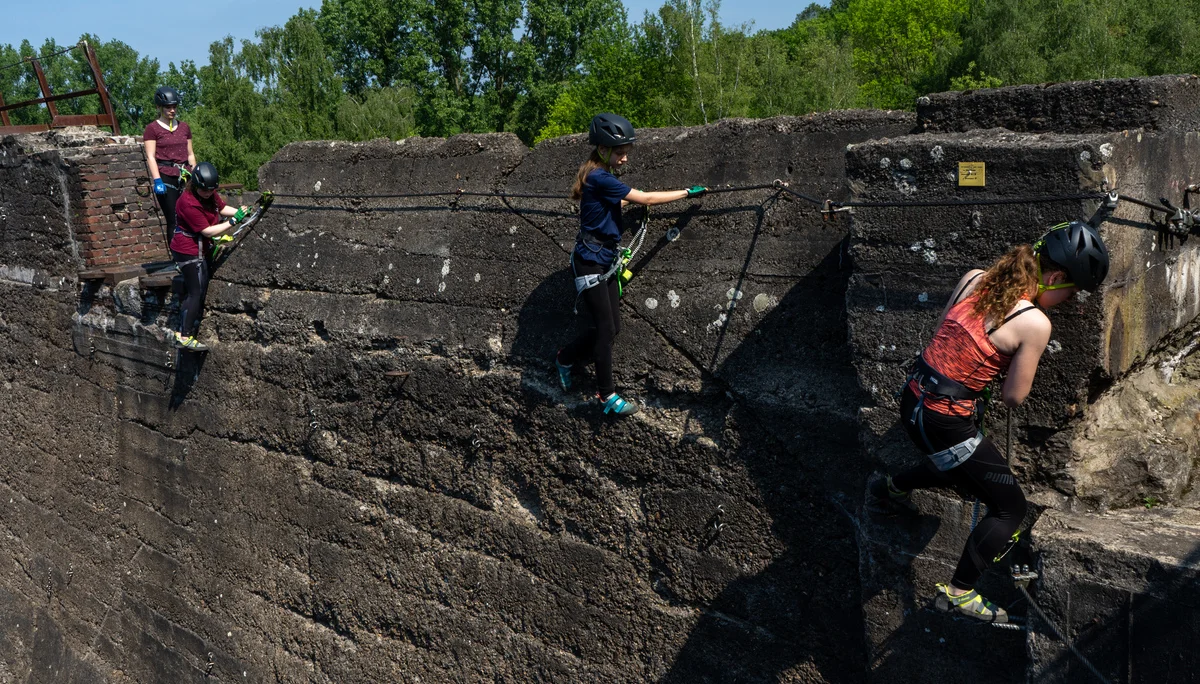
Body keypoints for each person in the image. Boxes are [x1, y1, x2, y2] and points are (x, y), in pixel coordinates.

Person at [870, 221, 1109, 623]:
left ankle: (891, 489)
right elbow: (1013, 397)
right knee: (1009, 507)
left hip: (913, 399)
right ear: (1054, 278)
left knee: (962, 472)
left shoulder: (975, 279)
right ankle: (960, 592)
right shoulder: (1035, 323)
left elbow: (944, 335)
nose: (1067, 301)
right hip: (945, 419)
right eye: (1070, 293)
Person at [555, 113, 708, 416]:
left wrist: (630, 201)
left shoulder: (598, 175)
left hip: (603, 261)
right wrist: (686, 193)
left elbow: (616, 202)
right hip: (591, 264)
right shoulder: (599, 176)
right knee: (606, 328)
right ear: (601, 149)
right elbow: (647, 198)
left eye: (626, 151)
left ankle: (566, 357)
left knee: (611, 328)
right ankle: (606, 396)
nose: (625, 158)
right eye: (620, 152)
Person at [169, 162, 248, 351]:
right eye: (205, 190)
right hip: (187, 250)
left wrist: (242, 212)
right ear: (195, 185)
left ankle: (184, 329)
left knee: (200, 287)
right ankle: (185, 336)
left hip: (199, 248)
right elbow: (207, 231)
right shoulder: (187, 203)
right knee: (195, 291)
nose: (208, 193)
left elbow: (221, 209)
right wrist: (233, 221)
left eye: (211, 190)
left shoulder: (209, 194)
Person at [143, 86, 196, 246]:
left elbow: (190, 154)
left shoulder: (184, 127)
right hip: (166, 176)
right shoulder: (152, 129)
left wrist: (195, 174)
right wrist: (157, 180)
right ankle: (177, 255)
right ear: (159, 107)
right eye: (168, 107)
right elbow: (151, 156)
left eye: (174, 106)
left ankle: (192, 249)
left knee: (190, 214)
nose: (172, 110)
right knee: (174, 218)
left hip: (185, 174)